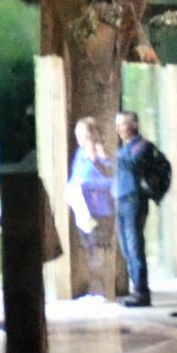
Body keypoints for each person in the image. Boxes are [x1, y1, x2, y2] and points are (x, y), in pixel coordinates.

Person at [113, 111, 171, 308]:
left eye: (123, 124)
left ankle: (142, 292)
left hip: (134, 200)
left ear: (134, 125)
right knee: (126, 248)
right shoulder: (123, 149)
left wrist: (108, 156)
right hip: (120, 200)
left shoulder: (142, 146)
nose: (119, 129)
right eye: (117, 125)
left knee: (134, 245)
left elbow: (133, 164)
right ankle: (136, 289)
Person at [64, 114, 119, 300]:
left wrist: (86, 185)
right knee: (88, 251)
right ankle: (94, 291)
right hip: (83, 211)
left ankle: (103, 291)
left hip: (101, 211)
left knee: (99, 252)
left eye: (82, 133)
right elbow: (75, 177)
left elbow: (111, 182)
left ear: (92, 134)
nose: (78, 137)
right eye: (77, 133)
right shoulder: (80, 154)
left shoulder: (103, 154)